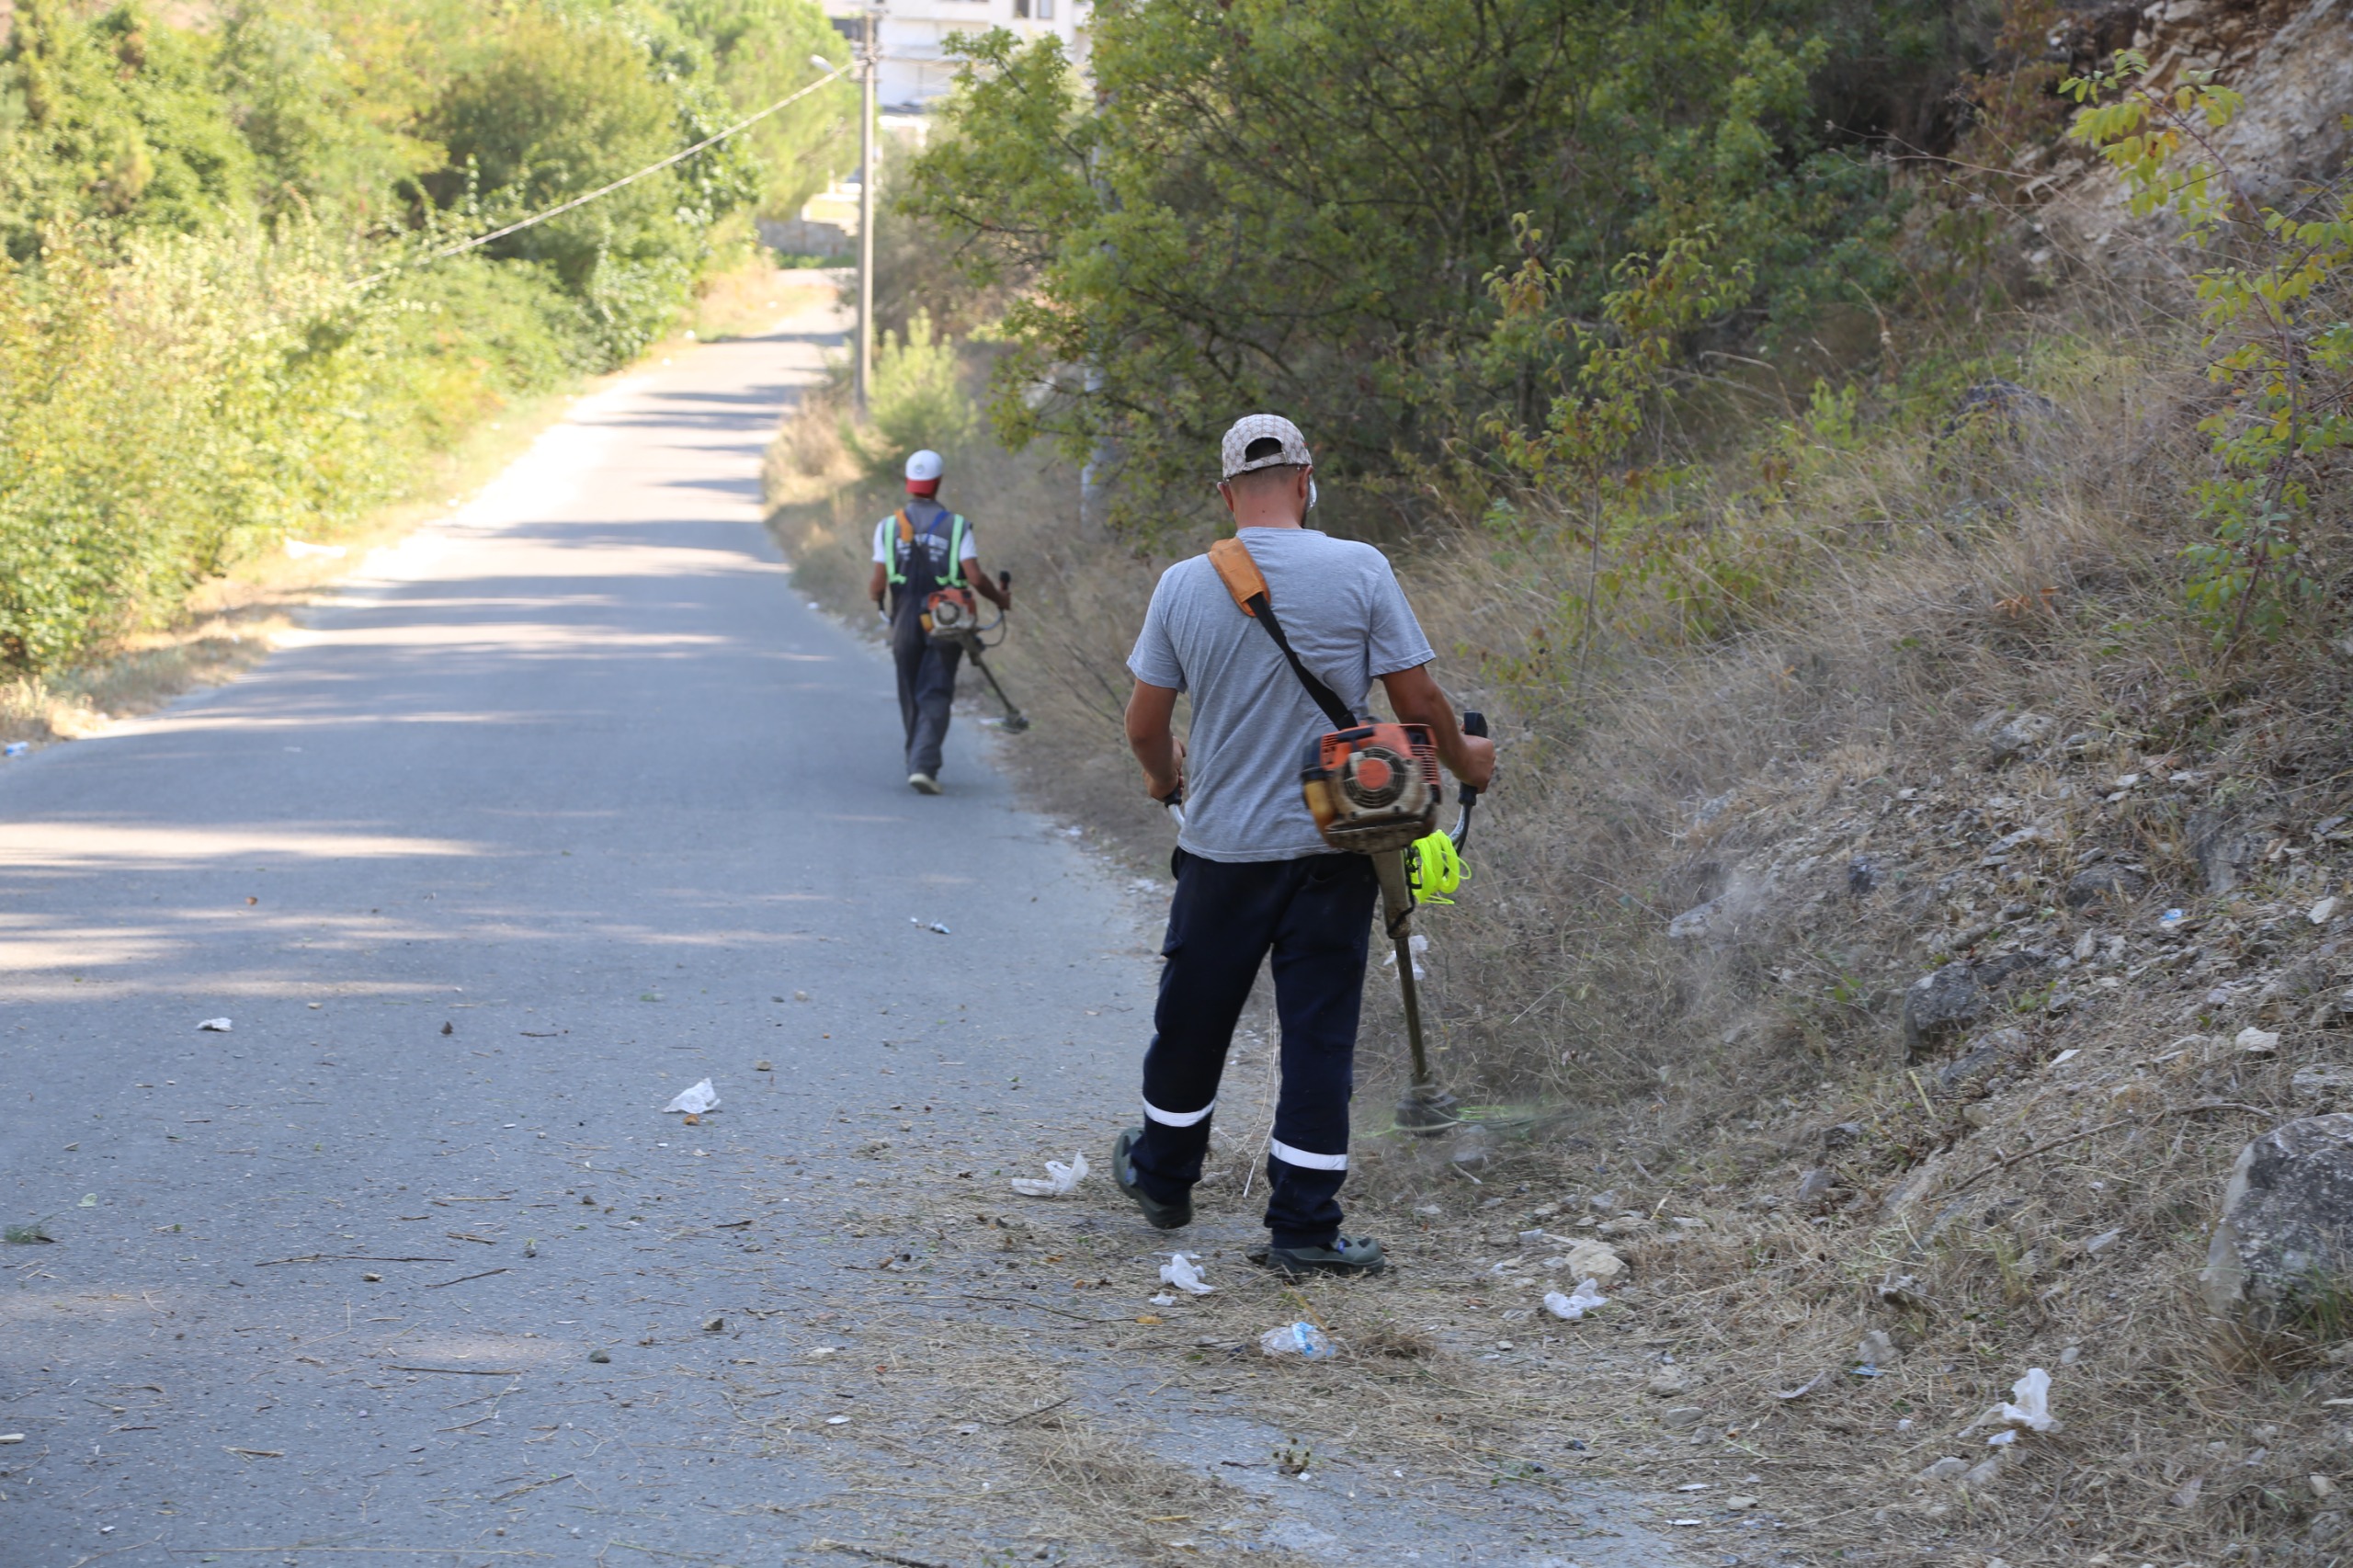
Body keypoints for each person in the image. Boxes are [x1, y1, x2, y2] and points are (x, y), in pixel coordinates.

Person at [1111, 414, 1496, 1278]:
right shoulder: (1360, 568)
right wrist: (1471, 758)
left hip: (1221, 850)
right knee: (1318, 1034)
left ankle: (1165, 1180)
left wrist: (1160, 776)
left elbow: (1145, 723)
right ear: (1305, 480)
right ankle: (1304, 1231)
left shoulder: (1182, 584)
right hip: (1337, 844)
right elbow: (1420, 702)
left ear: (1226, 493)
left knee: (1193, 1019)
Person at [869, 449, 1010, 793]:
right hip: (945, 617)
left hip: (903, 616)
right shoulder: (957, 525)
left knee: (910, 687)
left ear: (909, 482)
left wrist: (878, 601)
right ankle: (923, 763)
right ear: (938, 483)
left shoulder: (888, 527)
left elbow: (877, 583)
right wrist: (1001, 599)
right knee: (936, 688)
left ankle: (916, 758)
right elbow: (974, 578)